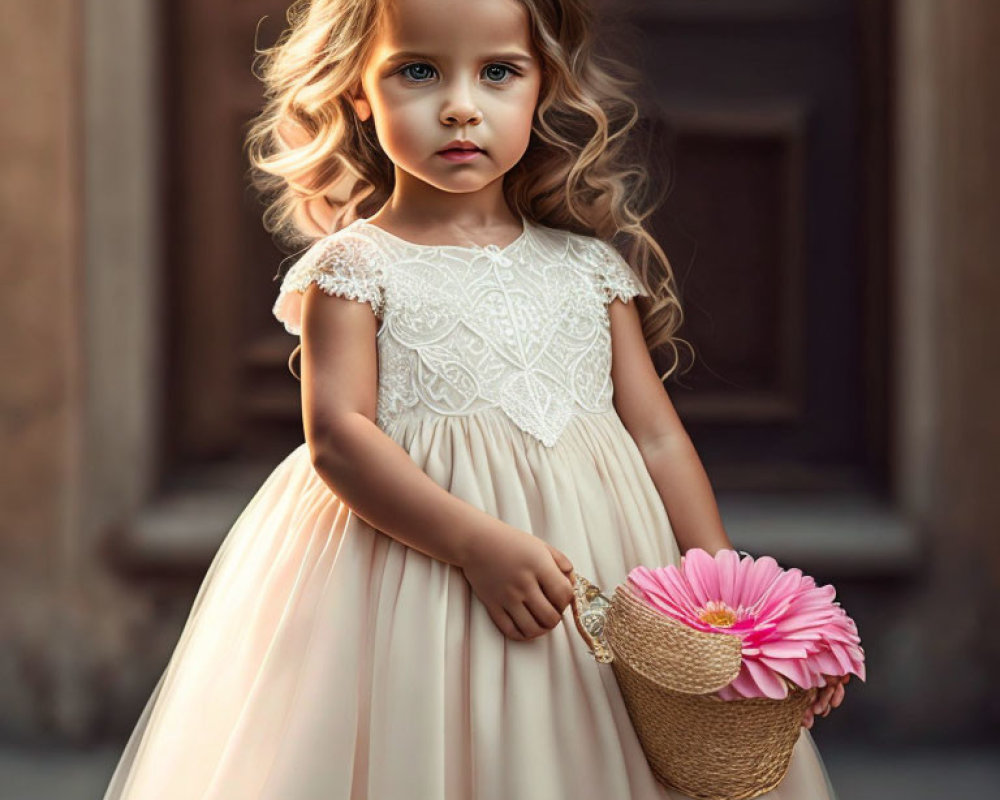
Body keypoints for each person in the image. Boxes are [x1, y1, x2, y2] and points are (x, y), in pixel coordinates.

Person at [102, 0, 848, 797]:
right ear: (359, 91)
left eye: (498, 72)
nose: (460, 104)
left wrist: (726, 596)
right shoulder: (355, 267)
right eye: (418, 71)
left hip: (604, 567)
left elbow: (657, 436)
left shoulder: (589, 267)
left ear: (541, 89)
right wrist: (475, 546)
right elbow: (340, 438)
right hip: (418, 575)